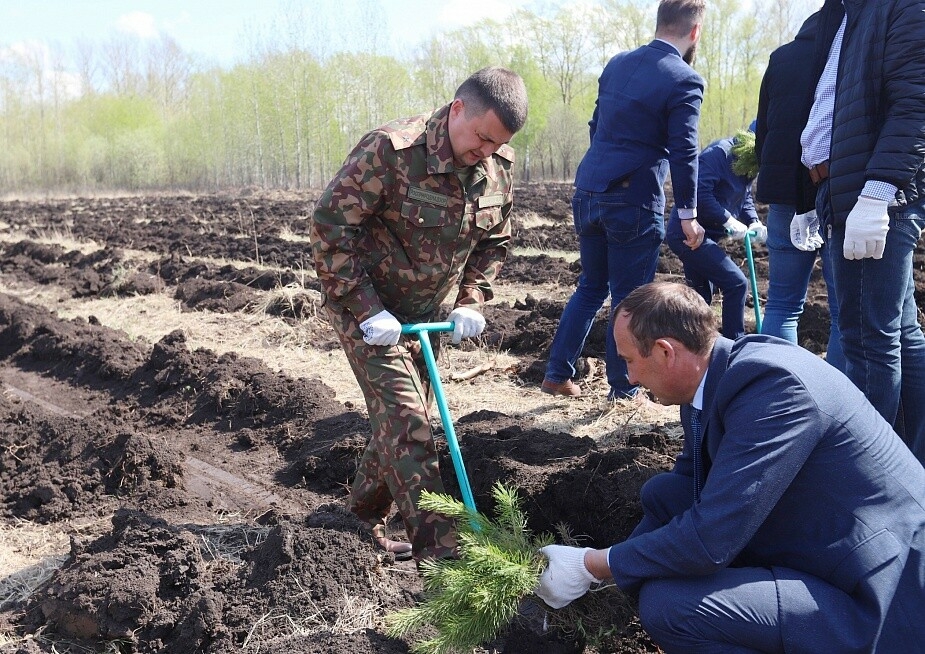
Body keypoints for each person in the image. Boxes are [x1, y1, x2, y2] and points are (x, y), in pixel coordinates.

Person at [534, 281, 925, 652]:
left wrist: (593, 565)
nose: (630, 377)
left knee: (670, 608)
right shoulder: (714, 376)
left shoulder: (774, 389)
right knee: (664, 494)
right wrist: (614, 576)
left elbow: (710, 540)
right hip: (820, 545)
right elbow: (686, 486)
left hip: (882, 595)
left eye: (629, 361)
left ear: (666, 352)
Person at [310, 67, 528, 561]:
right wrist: (367, 308)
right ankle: (443, 558)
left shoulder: (497, 166)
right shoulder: (391, 151)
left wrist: (472, 299)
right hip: (365, 310)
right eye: (482, 138)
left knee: (403, 422)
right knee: (410, 421)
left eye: (498, 144)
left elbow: (494, 242)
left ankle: (356, 523)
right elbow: (330, 227)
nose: (486, 151)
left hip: (426, 315)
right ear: (458, 110)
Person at [541, 0, 706, 400]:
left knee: (590, 287)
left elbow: (597, 125)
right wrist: (688, 213)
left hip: (589, 189)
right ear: (695, 32)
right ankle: (623, 390)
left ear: (659, 22)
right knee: (631, 300)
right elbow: (684, 150)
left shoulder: (617, 64)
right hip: (633, 197)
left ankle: (557, 375)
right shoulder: (684, 79)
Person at [801, 0, 925, 463]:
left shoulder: (899, 6)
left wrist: (878, 191)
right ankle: (908, 463)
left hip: (872, 194)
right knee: (899, 334)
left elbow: (915, 101)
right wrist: (812, 197)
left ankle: (867, 469)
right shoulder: (846, 12)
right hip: (845, 189)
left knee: (867, 341)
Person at [754, 10, 845, 370]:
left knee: (782, 303)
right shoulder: (847, 52)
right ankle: (838, 394)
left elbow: (763, 131)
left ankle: (775, 387)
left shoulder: (781, 58)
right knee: (842, 312)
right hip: (834, 189)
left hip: (786, 195)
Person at [665, 127, 766, 339]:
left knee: (700, 296)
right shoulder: (719, 154)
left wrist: (753, 221)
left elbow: (744, 195)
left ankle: (689, 341)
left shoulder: (748, 163)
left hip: (709, 235)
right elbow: (699, 193)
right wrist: (727, 219)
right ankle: (734, 343)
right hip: (688, 234)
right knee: (736, 284)